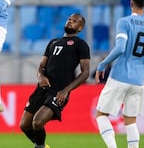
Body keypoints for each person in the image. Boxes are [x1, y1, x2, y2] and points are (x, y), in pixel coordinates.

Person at [94, 0, 144, 148]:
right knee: (131, 122)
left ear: (131, 3)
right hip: (138, 80)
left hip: (119, 76)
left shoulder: (124, 22)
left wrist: (103, 64)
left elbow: (120, 48)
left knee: (101, 115)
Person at [19, 13, 91, 148]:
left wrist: (66, 91)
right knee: (24, 125)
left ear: (80, 28)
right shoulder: (53, 42)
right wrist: (40, 76)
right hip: (42, 88)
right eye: (69, 19)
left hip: (59, 91)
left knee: (38, 122)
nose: (70, 22)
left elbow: (85, 72)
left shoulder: (81, 45)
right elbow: (41, 67)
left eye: (75, 21)